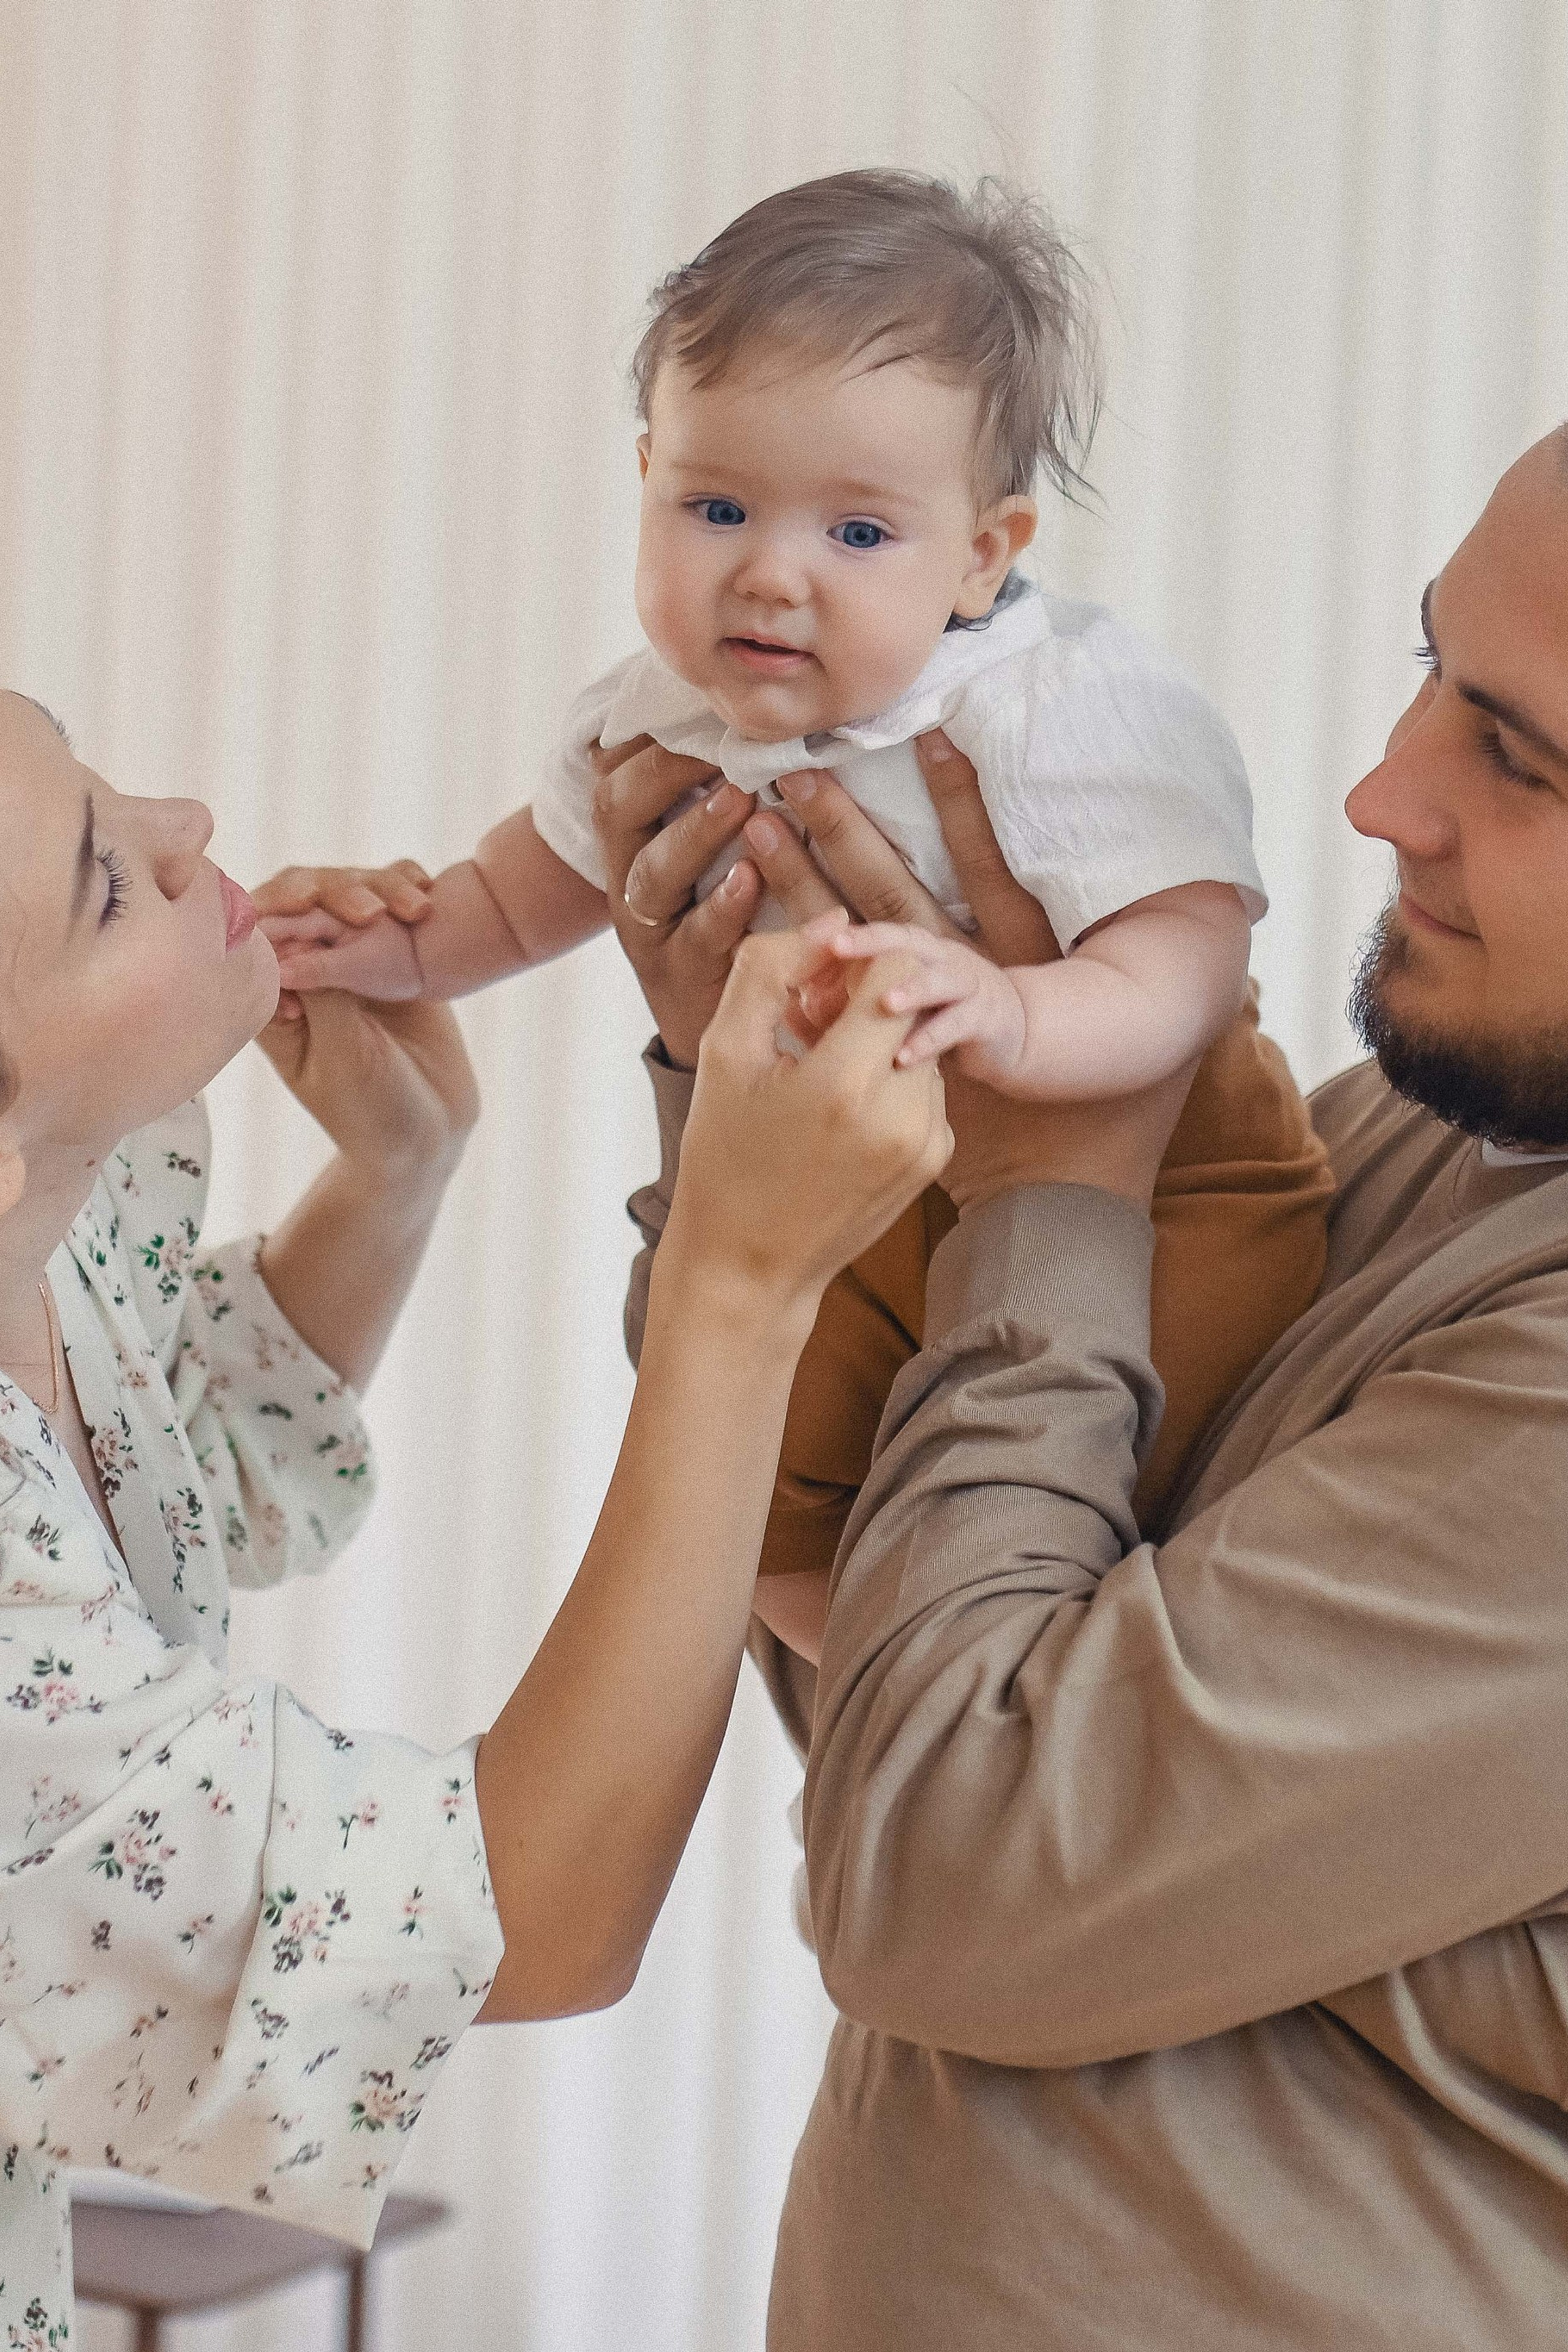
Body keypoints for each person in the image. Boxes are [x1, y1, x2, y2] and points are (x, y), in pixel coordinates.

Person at [609, 425, 1568, 2348]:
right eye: (1428, 676)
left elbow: (938, 1874)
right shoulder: (1429, 1135)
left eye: (1521, 757)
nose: (1386, 797)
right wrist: (784, 1084)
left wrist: (1050, 1182)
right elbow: (888, 1666)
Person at [254, 167, 1330, 1626]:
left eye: (857, 535)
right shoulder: (654, 715)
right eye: (715, 506)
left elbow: (1188, 955)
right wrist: (392, 946)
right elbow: (520, 897)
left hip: (1158, 1175)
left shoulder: (1057, 703)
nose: (769, 575)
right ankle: (885, 1674)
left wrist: (1015, 1010)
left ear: (982, 556)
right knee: (748, 1477)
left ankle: (1078, 1655)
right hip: (841, 1179)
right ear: (644, 475)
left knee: (1191, 1415)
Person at [0, 690, 948, 2345]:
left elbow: (165, 1495)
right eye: (104, 887)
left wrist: (395, 1169)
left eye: (100, 782)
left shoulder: (68, 1222)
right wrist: (737, 1279)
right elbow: (534, 1911)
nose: (183, 828)